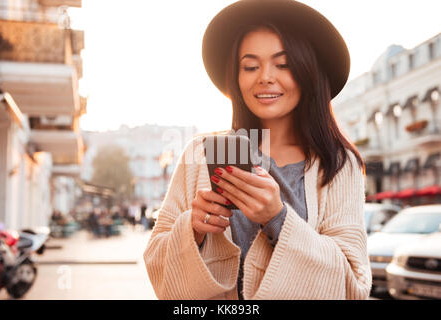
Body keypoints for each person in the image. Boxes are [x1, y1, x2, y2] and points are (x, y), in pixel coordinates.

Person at [144, 0, 372, 300]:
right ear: (236, 78)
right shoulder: (199, 154)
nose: (265, 76)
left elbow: (352, 287)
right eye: (250, 66)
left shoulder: (339, 164)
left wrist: (277, 218)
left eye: (283, 64)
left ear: (308, 72)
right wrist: (193, 230)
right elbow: (159, 270)